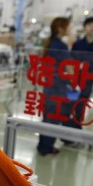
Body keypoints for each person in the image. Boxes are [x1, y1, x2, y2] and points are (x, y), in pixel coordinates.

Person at [37, 17, 74, 156]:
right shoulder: (60, 46)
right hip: (58, 87)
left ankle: (43, 146)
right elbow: (69, 67)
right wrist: (74, 82)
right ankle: (47, 147)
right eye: (69, 26)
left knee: (48, 117)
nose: (71, 29)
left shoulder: (51, 43)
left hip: (50, 85)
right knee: (53, 117)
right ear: (60, 29)